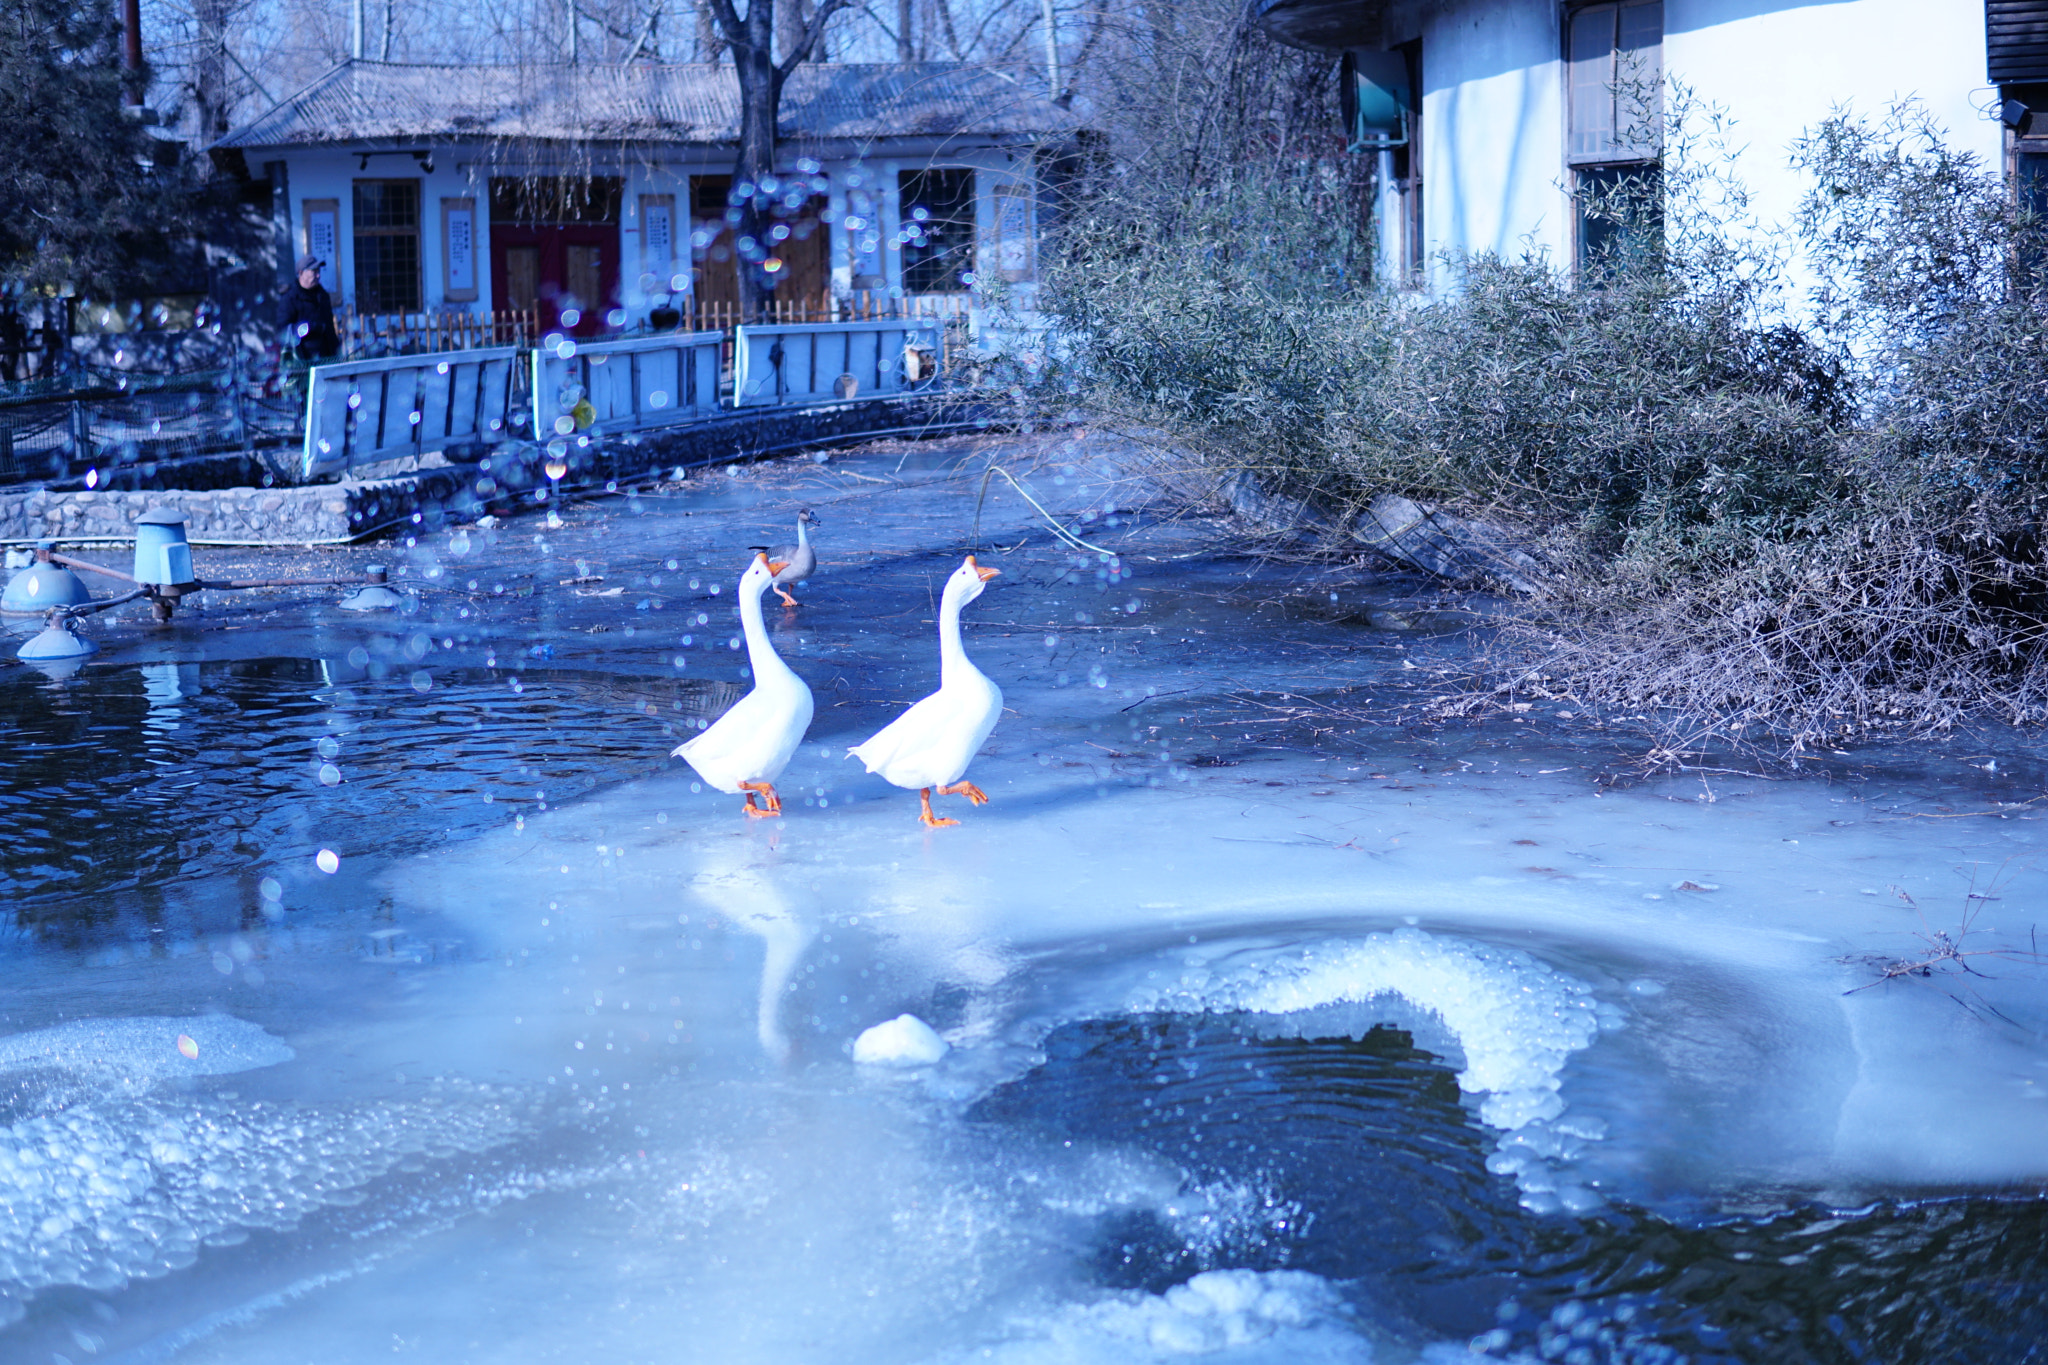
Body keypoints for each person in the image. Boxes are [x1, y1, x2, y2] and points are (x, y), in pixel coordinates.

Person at [276, 253, 339, 404]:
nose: (318, 275)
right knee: (305, 407)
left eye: (319, 271)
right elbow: (283, 330)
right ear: (301, 273)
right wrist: (308, 328)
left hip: (325, 359)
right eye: (313, 271)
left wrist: (337, 353)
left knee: (327, 404)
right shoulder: (290, 298)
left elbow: (329, 327)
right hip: (302, 363)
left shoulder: (322, 295)